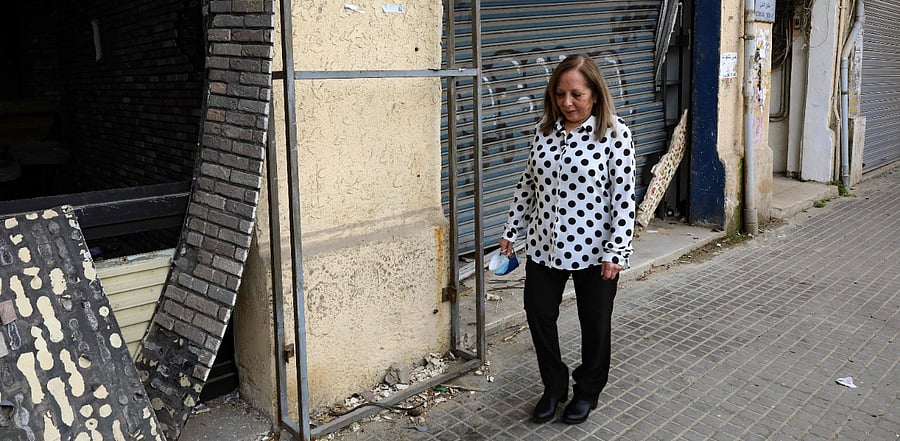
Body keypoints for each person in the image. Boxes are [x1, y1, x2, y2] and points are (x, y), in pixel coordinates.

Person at [498, 54, 635, 425]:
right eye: (560, 94)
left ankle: (587, 391)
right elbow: (528, 183)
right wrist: (512, 229)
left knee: (595, 323)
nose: (567, 103)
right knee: (539, 314)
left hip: (596, 250)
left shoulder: (615, 134)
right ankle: (554, 386)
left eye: (577, 94)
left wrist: (617, 250)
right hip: (544, 245)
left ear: (595, 94)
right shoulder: (544, 130)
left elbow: (623, 198)